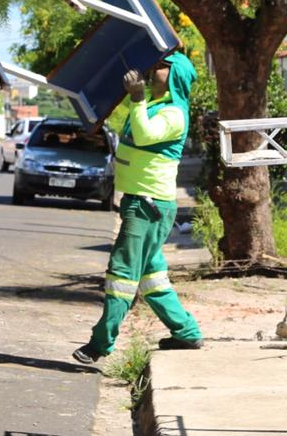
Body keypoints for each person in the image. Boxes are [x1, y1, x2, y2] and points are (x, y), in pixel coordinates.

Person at [73, 51, 204, 365]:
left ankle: (100, 343)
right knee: (151, 276)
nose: (154, 68)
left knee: (122, 273)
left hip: (147, 205)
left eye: (162, 66)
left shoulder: (174, 113)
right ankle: (186, 332)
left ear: (174, 77)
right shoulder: (158, 105)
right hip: (144, 202)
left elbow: (145, 136)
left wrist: (136, 97)